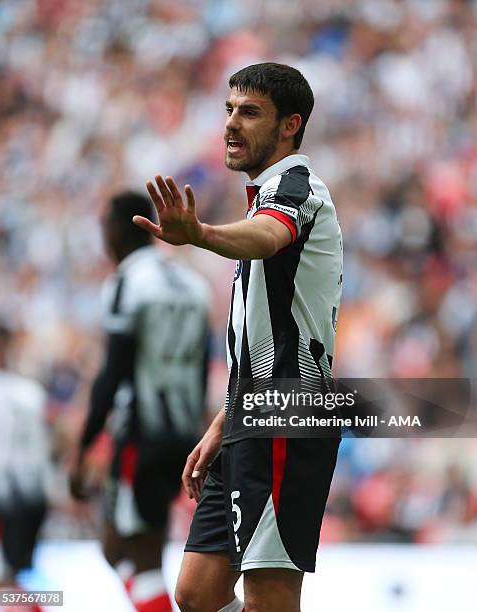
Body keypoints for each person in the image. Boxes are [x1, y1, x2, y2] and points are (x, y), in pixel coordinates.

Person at [133, 63, 343, 612]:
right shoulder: (264, 196)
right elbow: (263, 333)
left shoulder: (298, 187)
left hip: (289, 410)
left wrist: (198, 234)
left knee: (269, 597)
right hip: (251, 414)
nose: (231, 124)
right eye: (229, 109)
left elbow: (270, 236)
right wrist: (224, 420)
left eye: (249, 113)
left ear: (290, 125)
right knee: (198, 594)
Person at [70, 191, 211, 612]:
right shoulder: (192, 284)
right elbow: (203, 368)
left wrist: (83, 447)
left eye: (104, 230)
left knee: (139, 553)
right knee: (117, 548)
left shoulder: (127, 282)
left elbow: (113, 372)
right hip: (183, 433)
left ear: (117, 229)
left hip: (142, 436)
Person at [0, 321, 48, 612]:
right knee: (10, 582)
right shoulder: (31, 393)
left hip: (1, 496)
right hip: (30, 499)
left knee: (1, 583)